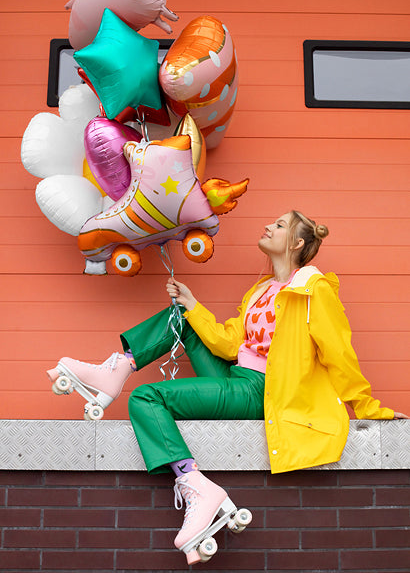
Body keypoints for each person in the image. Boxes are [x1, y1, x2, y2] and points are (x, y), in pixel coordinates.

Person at [47, 210, 408, 564]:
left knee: (146, 396)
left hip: (264, 390)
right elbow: (228, 345)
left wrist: (367, 407)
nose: (268, 225)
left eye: (280, 225)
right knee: (180, 316)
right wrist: (192, 305)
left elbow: (339, 354)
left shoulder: (313, 291)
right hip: (237, 377)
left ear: (297, 243)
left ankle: (195, 485)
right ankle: (118, 368)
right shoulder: (260, 290)